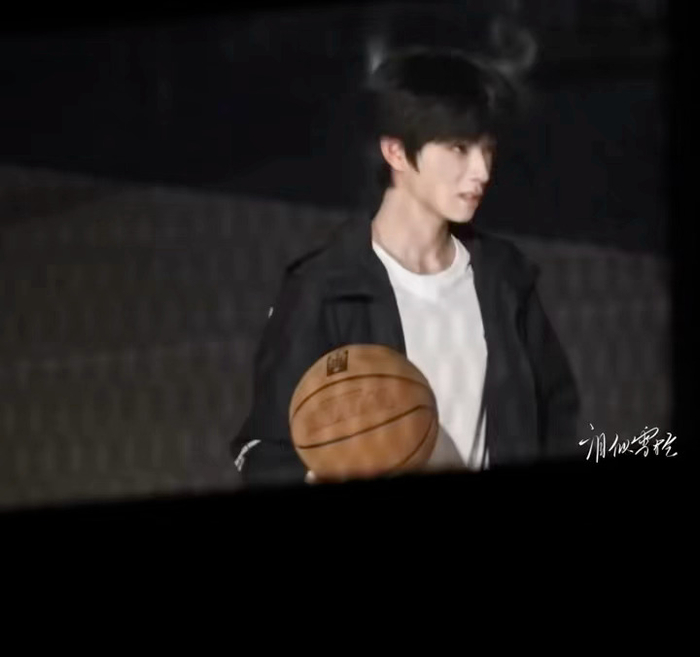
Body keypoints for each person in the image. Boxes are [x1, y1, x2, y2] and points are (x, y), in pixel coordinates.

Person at [231, 46, 581, 487]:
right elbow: (263, 449)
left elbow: (558, 414)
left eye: (488, 149)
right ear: (396, 152)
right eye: (459, 148)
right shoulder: (322, 290)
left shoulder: (506, 278)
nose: (482, 170)